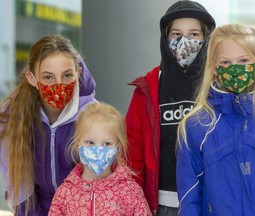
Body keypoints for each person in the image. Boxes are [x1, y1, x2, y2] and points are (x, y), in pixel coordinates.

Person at [176, 24, 255, 215]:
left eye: (244, 60)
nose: (235, 68)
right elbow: (189, 197)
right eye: (226, 62)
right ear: (213, 67)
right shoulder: (196, 126)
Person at [125, 1, 216, 215]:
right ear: (166, 39)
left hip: (209, 202)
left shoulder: (217, 84)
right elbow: (132, 155)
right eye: (176, 34)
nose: (185, 41)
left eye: (194, 34)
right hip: (163, 205)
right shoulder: (147, 89)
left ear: (206, 38)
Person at [0, 35, 97, 215]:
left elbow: (101, 181)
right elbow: (16, 180)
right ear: (31, 78)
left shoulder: (93, 117)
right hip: (34, 207)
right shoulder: (12, 115)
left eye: (67, 75)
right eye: (48, 77)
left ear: (78, 73)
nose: (59, 86)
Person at [48, 102, 152, 216]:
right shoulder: (64, 193)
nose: (98, 150)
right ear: (77, 144)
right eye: (90, 142)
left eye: (106, 143)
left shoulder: (131, 192)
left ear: (118, 148)